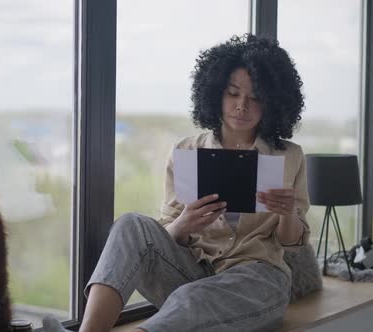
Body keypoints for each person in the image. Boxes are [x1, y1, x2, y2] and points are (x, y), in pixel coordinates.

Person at [43, 34, 310, 332]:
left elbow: (292, 245)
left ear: (272, 102)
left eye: (255, 97)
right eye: (232, 94)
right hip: (193, 271)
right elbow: (166, 234)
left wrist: (287, 213)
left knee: (193, 298)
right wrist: (184, 223)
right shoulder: (186, 151)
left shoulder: (289, 156)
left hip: (257, 282)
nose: (242, 105)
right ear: (215, 94)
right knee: (132, 224)